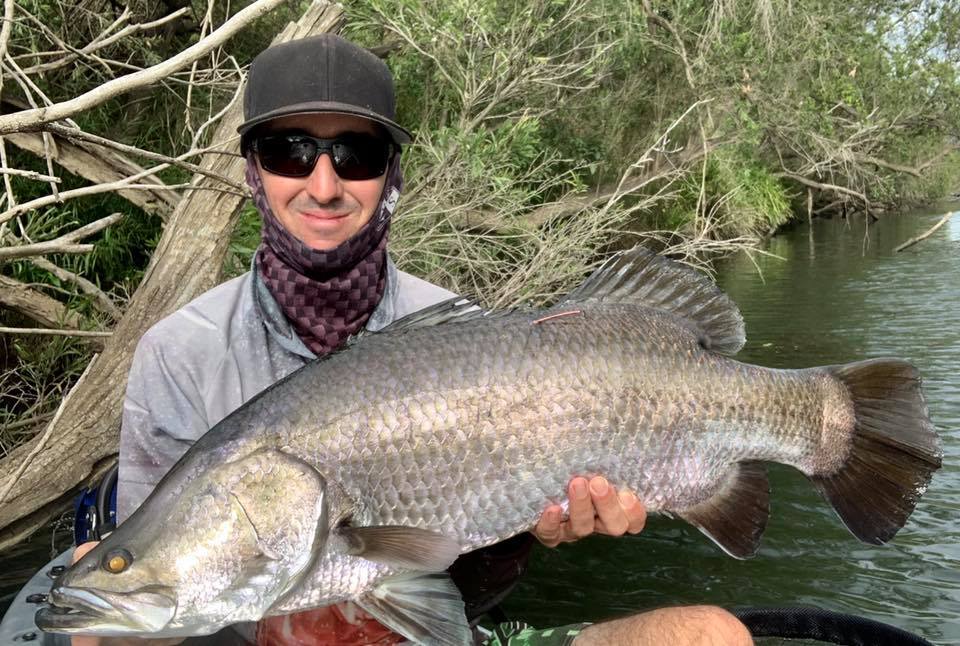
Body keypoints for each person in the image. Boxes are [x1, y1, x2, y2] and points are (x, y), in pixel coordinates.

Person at [73, 34, 752, 646]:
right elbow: (162, 582)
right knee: (91, 611)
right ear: (253, 168)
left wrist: (526, 538)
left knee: (712, 636)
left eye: (355, 153)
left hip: (432, 632)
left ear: (391, 172)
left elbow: (458, 596)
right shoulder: (178, 353)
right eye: (290, 150)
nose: (324, 182)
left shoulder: (463, 325)